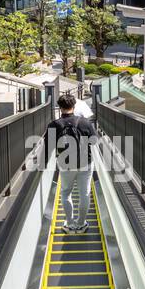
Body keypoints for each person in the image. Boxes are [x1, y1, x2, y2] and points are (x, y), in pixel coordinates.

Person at [47, 92, 98, 234]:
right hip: (85, 163)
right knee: (84, 193)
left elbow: (48, 146)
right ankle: (81, 224)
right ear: (74, 106)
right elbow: (94, 141)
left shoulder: (54, 125)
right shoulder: (85, 122)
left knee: (65, 192)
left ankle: (69, 224)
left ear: (60, 107)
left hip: (66, 164)